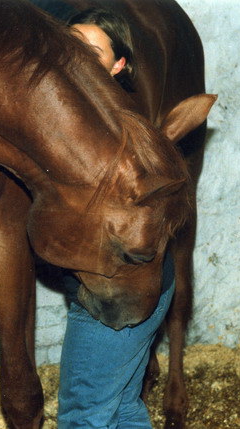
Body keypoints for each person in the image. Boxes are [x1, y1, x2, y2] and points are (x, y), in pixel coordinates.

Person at [57, 8, 175, 428]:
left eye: (92, 51)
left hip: (118, 288)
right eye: (69, 42)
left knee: (83, 415)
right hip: (130, 283)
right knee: (122, 406)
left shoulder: (114, 126)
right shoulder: (83, 116)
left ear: (118, 65)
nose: (76, 56)